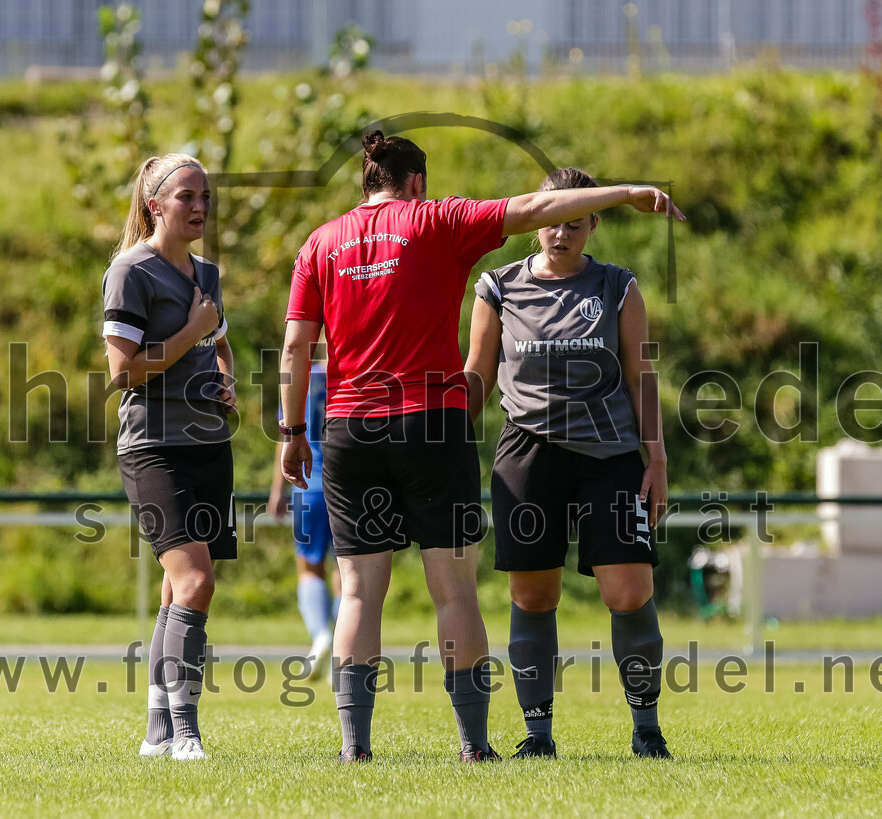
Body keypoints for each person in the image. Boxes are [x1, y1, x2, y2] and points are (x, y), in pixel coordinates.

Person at [280, 131, 683, 764]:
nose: (561, 229)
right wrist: (632, 192)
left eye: (580, 221)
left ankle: (356, 748)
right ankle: (490, 741)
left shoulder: (321, 242)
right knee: (469, 591)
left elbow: (296, 347)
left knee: (359, 589)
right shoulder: (446, 231)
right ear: (417, 182)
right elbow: (523, 220)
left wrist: (290, 431)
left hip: (356, 427)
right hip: (454, 431)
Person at [465, 167, 676, 761]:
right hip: (527, 457)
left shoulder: (617, 286)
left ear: (593, 224)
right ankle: (537, 734)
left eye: (574, 224)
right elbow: (477, 373)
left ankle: (647, 728)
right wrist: (450, 438)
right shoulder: (497, 287)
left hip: (610, 457)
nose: (560, 235)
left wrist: (654, 456)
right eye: (551, 223)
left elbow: (641, 374)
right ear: (537, 223)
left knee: (629, 592)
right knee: (534, 597)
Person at [101, 152, 237, 762]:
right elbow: (123, 373)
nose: (200, 207)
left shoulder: (207, 273)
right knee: (195, 583)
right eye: (187, 197)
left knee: (173, 592)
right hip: (154, 449)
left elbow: (220, 341)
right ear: (154, 204)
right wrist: (190, 333)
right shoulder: (131, 271)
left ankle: (157, 731)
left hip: (209, 446)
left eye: (205, 196)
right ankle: (186, 730)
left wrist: (226, 379)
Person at [269, 357, 341, 681]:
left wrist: (277, 489)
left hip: (307, 482)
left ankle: (320, 635)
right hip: (347, 478)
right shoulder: (348, 369)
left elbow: (286, 437)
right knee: (347, 568)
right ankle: (343, 647)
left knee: (309, 566)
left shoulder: (298, 375)